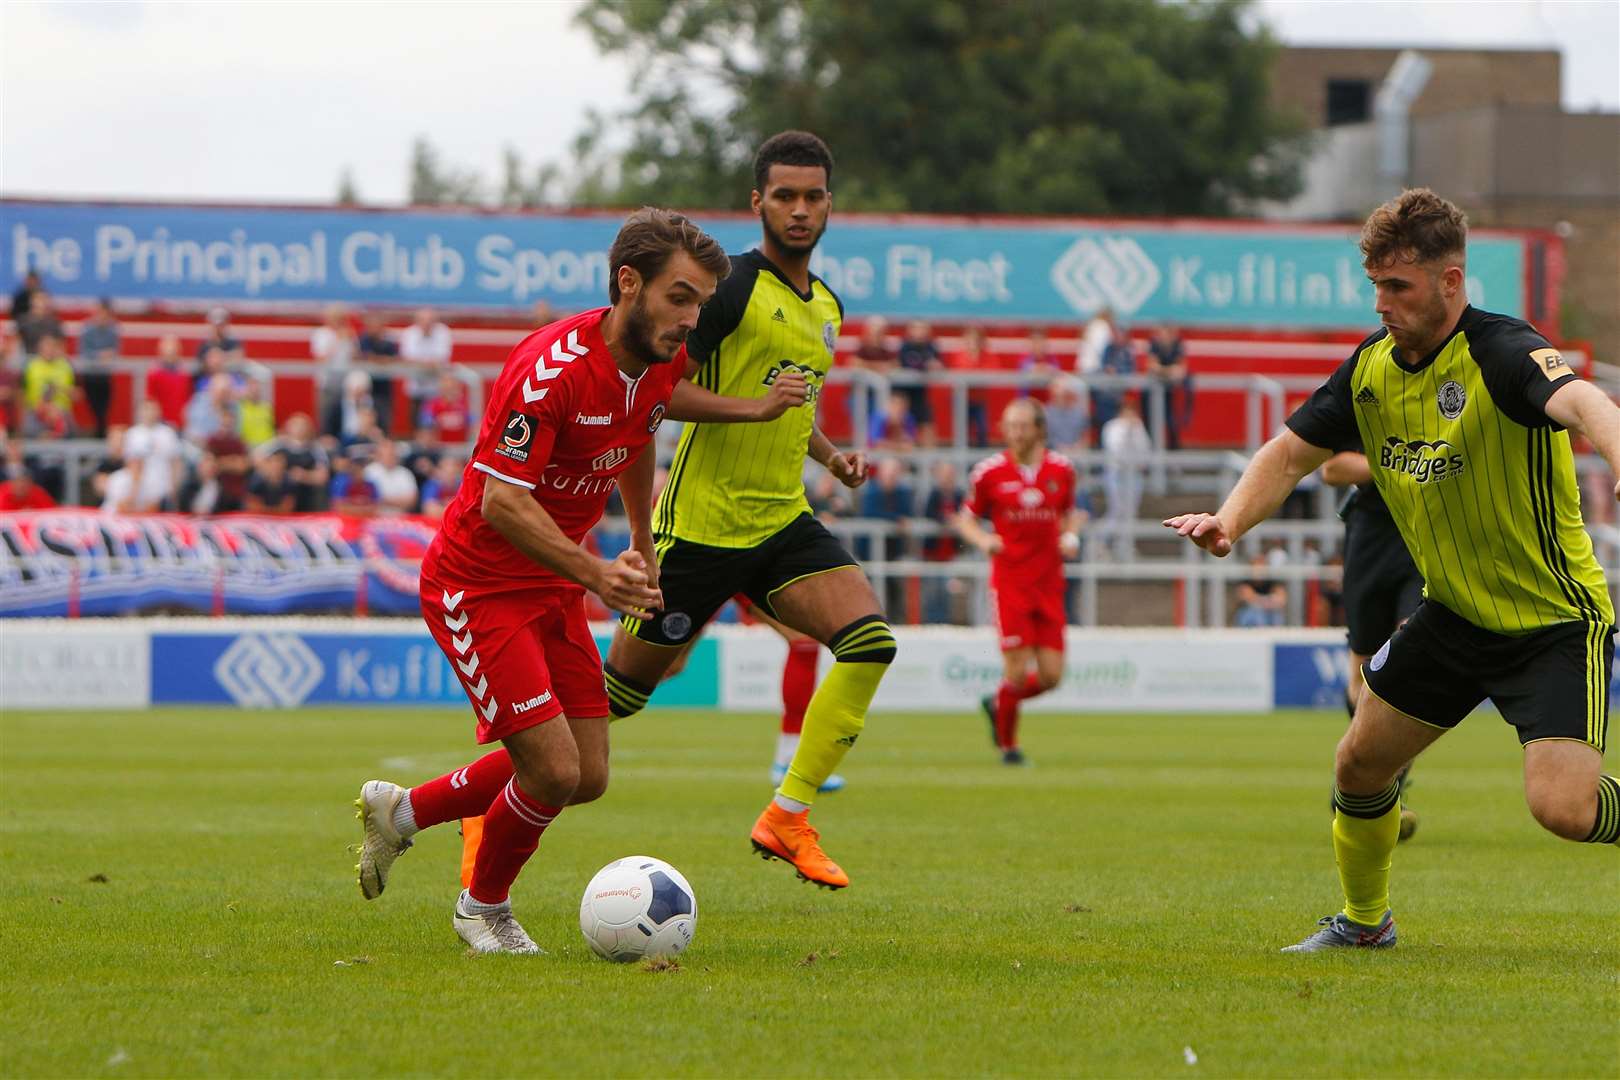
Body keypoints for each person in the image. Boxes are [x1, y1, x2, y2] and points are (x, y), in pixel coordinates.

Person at [1164, 188, 1620, 953]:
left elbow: (1587, 404)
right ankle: (1364, 924)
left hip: (1552, 624)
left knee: (1564, 810)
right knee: (1360, 765)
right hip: (1453, 617)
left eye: (1398, 287)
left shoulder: (1503, 351)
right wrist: (1229, 521)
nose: (1381, 303)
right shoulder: (1370, 370)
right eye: (1375, 285)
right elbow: (1286, 455)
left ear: (1450, 282)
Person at [351, 207, 732, 954]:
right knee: (552, 769)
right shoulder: (549, 368)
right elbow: (501, 500)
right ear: (630, 282)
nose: (691, 318)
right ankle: (481, 908)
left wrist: (641, 543)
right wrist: (595, 572)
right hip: (479, 585)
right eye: (679, 297)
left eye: (700, 303)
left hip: (551, 584)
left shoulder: (659, 361)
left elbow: (638, 435)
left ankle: (402, 814)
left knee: (586, 773)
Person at [605, 132, 895, 892]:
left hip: (779, 523)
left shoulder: (826, 304)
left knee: (869, 642)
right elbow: (660, 391)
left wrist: (831, 457)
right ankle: (480, 798)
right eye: (784, 196)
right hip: (698, 529)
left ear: (831, 204)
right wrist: (758, 407)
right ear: (757, 202)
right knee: (617, 699)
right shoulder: (728, 286)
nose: (799, 211)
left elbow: (790, 401)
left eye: (812, 197)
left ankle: (788, 816)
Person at [955, 399, 1082, 765]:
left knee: (1051, 677)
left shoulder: (1062, 469)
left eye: (1023, 426)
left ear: (1040, 429)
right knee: (1015, 669)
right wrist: (984, 541)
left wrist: (1071, 537)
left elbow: (1071, 514)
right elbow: (966, 519)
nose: (1016, 433)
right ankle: (1008, 747)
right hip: (1010, 582)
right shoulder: (988, 473)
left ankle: (998, 702)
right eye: (1010, 426)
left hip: (1049, 583)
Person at [1321, 446, 1425, 841]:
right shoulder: (1364, 391)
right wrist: (1406, 468)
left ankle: (1385, 791)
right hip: (1371, 539)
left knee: (1408, 658)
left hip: (1423, 537)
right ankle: (1365, 781)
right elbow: (1333, 468)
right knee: (1361, 678)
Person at [1099, 396, 1151, 560]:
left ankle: (1125, 547)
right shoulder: (1112, 427)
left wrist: (1134, 432)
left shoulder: (1139, 427)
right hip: (1116, 474)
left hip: (1134, 475)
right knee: (1117, 510)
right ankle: (1100, 542)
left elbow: (1145, 449)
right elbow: (1115, 450)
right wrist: (1127, 431)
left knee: (1131, 512)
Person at [78, 299, 120, 437]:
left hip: (104, 377)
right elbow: (83, 352)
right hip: (90, 376)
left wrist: (107, 356)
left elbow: (115, 351)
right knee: (95, 411)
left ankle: (100, 436)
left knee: (103, 412)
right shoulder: (87, 329)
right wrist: (100, 355)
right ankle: (98, 436)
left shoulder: (113, 330)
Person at [1146, 325, 1193, 449]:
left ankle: (1173, 450)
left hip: (1172, 392)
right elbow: (1152, 366)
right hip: (1152, 393)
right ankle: (1153, 450)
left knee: (1172, 423)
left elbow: (1181, 369)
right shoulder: (1154, 344)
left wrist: (1163, 371)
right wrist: (1170, 371)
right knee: (1151, 421)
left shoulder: (1178, 344)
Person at [895, 319, 941, 445]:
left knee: (928, 431)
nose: (920, 332)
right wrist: (925, 366)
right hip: (904, 397)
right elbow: (906, 364)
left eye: (923, 329)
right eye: (917, 329)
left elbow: (938, 365)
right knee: (903, 435)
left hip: (921, 396)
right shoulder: (905, 346)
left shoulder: (931, 347)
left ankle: (930, 461)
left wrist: (935, 366)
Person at [1234, 552, 1287, 627]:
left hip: (1270, 614)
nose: (1259, 570)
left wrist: (1258, 600)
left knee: (1275, 615)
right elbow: (1247, 597)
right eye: (1256, 567)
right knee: (1254, 613)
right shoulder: (1246, 581)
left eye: (1262, 567)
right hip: (1252, 616)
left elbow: (1282, 600)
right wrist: (1269, 600)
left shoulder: (1272, 581)